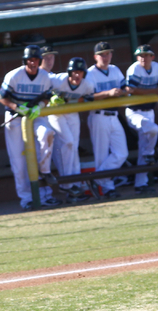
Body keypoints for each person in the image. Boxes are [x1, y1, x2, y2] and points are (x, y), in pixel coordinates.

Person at [0, 45, 61, 210]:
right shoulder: (14, 75)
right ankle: (27, 199)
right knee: (18, 161)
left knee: (47, 134)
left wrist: (39, 105)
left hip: (34, 115)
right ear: (25, 61)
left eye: (35, 60)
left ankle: (46, 190)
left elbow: (47, 97)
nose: (33, 63)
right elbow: (1, 97)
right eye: (30, 60)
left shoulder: (45, 77)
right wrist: (16, 107)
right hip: (15, 117)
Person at [85, 41, 129, 198]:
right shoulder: (90, 73)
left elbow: (126, 88)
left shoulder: (115, 69)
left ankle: (96, 178)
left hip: (114, 115)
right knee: (101, 155)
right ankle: (108, 188)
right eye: (102, 54)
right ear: (95, 56)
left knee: (122, 153)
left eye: (108, 53)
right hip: (99, 115)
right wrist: (108, 93)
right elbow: (87, 97)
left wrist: (122, 92)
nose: (105, 57)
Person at [47, 57, 95, 202]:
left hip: (73, 113)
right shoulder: (58, 80)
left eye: (80, 72)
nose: (77, 75)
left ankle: (74, 186)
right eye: (74, 72)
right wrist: (51, 98)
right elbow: (43, 85)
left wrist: (69, 101)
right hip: (55, 113)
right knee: (67, 143)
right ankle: (66, 183)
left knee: (73, 147)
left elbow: (89, 98)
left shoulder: (87, 85)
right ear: (69, 72)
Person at [124, 44, 158, 194]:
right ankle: (149, 154)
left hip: (149, 111)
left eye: (146, 55)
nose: (143, 58)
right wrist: (155, 90)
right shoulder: (134, 68)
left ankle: (140, 184)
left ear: (152, 57)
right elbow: (133, 90)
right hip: (134, 112)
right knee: (153, 129)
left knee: (144, 149)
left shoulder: (156, 67)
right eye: (140, 56)